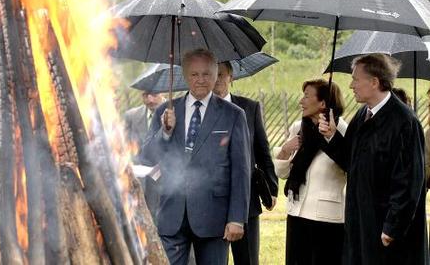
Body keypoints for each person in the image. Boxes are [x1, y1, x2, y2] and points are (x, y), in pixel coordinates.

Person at [141, 49, 251, 265]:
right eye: (194, 74)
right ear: (184, 76)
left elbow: (241, 171)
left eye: (206, 74)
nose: (200, 80)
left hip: (214, 219)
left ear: (215, 75)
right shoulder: (165, 111)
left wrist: (237, 218)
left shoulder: (234, 115)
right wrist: (165, 133)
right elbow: (146, 158)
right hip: (172, 215)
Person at [319, 54, 428, 265]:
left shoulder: (404, 121)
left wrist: (392, 226)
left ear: (374, 82)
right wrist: (331, 136)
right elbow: (350, 161)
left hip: (387, 230)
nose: (351, 85)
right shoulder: (362, 115)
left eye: (356, 79)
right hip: (361, 222)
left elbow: (410, 181)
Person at [275, 79, 347, 265]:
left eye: (307, 96)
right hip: (297, 212)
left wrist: (331, 137)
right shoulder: (299, 128)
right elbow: (283, 174)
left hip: (327, 217)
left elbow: (349, 165)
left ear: (323, 103)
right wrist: (284, 150)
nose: (301, 101)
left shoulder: (342, 129)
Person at [213, 61, 278, 265]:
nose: (217, 80)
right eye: (212, 75)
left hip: (246, 200)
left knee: (247, 259)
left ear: (231, 77)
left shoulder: (249, 107)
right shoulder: (200, 112)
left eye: (221, 75)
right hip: (211, 201)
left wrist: (272, 186)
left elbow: (262, 151)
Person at [124, 90, 165, 220]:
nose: (150, 100)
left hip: (165, 184)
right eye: (145, 95)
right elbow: (125, 146)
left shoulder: (176, 114)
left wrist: (159, 170)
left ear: (163, 93)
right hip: (139, 182)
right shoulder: (131, 116)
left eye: (154, 94)